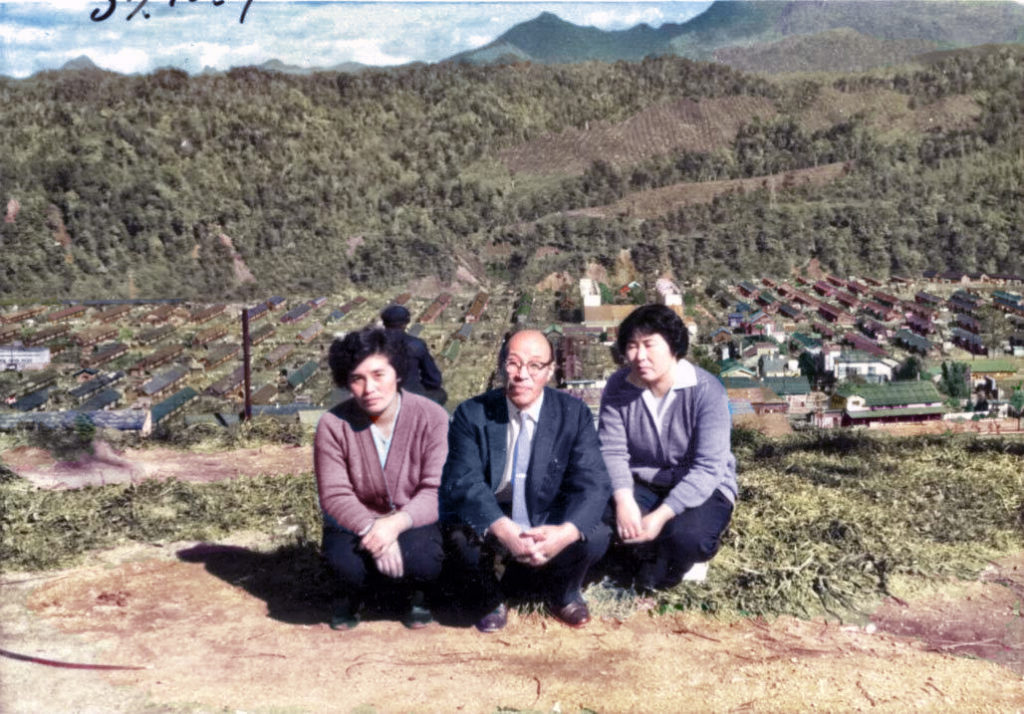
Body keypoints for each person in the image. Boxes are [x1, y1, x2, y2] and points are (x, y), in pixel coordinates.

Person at [441, 329, 611, 632]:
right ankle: (489, 596)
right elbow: (465, 479)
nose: (522, 375)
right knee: (459, 532)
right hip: (496, 513)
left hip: (548, 515)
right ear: (500, 365)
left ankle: (564, 593)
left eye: (535, 365)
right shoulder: (471, 413)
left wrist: (566, 532)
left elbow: (593, 481)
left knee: (594, 533)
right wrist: (502, 528)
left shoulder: (573, 414)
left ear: (550, 371)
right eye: (513, 363)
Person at [314, 327, 449, 630]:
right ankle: (353, 595)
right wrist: (375, 531)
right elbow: (335, 495)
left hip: (411, 519)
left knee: (424, 561)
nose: (369, 388)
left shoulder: (432, 417)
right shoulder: (332, 425)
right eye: (357, 379)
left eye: (378, 375)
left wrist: (394, 525)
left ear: (397, 374)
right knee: (346, 567)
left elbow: (434, 490)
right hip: (356, 523)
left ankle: (417, 594)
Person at [598, 304, 737, 591]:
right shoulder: (618, 386)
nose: (640, 356)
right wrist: (624, 502)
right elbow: (612, 451)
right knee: (598, 515)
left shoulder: (706, 391)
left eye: (649, 344)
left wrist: (662, 515)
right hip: (642, 483)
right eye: (632, 346)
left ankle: (664, 572)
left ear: (673, 345)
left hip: (702, 486)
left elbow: (709, 467)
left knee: (689, 538)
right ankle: (645, 554)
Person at [380, 304, 447, 406]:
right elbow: (434, 379)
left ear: (384, 322)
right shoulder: (416, 344)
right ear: (406, 323)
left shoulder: (370, 344)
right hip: (411, 396)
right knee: (440, 394)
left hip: (380, 395)